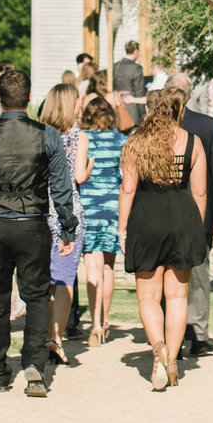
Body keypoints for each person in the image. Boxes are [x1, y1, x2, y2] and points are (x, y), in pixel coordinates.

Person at [0, 66, 77, 397]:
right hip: (33, 225)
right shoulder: (47, 136)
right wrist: (68, 227)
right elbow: (61, 187)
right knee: (36, 294)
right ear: (29, 99)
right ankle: (34, 364)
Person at [118, 83, 207, 389]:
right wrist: (198, 228)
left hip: (146, 217)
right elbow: (200, 192)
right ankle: (172, 363)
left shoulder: (136, 142)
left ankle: (158, 350)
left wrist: (122, 229)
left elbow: (128, 188)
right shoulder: (192, 142)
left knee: (148, 296)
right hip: (182, 217)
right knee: (178, 295)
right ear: (179, 111)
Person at [170, 71, 213, 357]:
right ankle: (199, 334)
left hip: (164, 212)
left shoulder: (154, 126)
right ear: (190, 94)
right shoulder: (206, 125)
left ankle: (173, 334)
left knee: (167, 271)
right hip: (199, 212)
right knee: (199, 273)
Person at [38, 85, 84, 364]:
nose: (81, 106)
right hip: (69, 213)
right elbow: (77, 176)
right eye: (78, 102)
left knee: (45, 281)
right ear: (70, 105)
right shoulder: (80, 137)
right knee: (64, 279)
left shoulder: (39, 136)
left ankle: (43, 334)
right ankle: (56, 337)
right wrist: (88, 169)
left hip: (43, 212)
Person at [75, 94, 126, 345]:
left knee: (92, 267)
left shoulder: (83, 139)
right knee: (108, 266)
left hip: (89, 206)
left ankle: (94, 325)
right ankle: (105, 321)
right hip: (114, 207)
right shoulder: (120, 139)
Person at [113, 39, 146, 128]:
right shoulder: (136, 68)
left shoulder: (115, 66)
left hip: (117, 107)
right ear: (136, 52)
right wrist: (143, 114)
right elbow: (139, 91)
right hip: (133, 112)